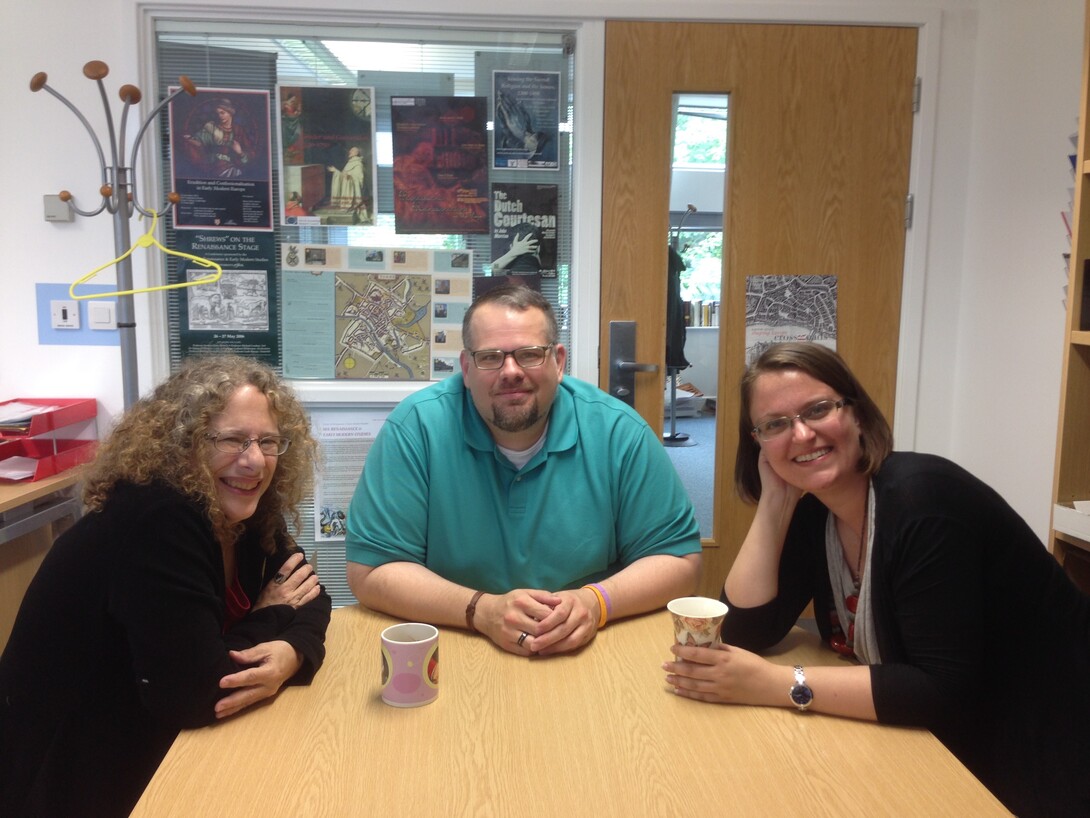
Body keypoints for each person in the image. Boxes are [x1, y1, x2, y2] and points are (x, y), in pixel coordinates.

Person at [661, 342, 1090, 817]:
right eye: (775, 425)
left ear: (858, 415)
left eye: (818, 410)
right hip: (947, 741)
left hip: (1051, 739)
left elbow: (941, 691)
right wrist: (774, 505)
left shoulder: (923, 502)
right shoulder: (818, 514)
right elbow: (747, 632)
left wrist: (777, 684)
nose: (801, 434)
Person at [0, 355, 330, 817]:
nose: (254, 459)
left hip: (146, 737)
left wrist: (292, 655)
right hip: (66, 772)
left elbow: (312, 596)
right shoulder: (157, 517)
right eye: (232, 439)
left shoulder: (246, 507)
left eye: (268, 441)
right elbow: (196, 692)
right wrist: (268, 616)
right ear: (184, 444)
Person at [346, 285, 701, 656]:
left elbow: (679, 560)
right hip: (454, 642)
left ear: (558, 362)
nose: (511, 372)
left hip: (586, 646)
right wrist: (480, 610)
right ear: (466, 369)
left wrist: (596, 601)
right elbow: (371, 570)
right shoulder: (416, 428)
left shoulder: (617, 431)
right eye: (490, 358)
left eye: (529, 354)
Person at [184, 98, 252, 178]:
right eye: (218, 113)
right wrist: (189, 140)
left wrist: (240, 152)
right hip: (212, 169)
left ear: (230, 113)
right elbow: (198, 143)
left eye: (222, 113)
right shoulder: (211, 128)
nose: (220, 116)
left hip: (233, 170)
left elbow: (249, 156)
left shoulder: (239, 131)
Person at [327, 145, 367, 217]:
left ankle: (349, 205)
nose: (349, 152)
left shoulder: (358, 164)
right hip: (346, 185)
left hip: (352, 188)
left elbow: (359, 179)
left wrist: (349, 177)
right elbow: (343, 175)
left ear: (356, 153)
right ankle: (345, 205)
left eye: (352, 150)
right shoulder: (350, 162)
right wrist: (336, 171)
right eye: (350, 150)